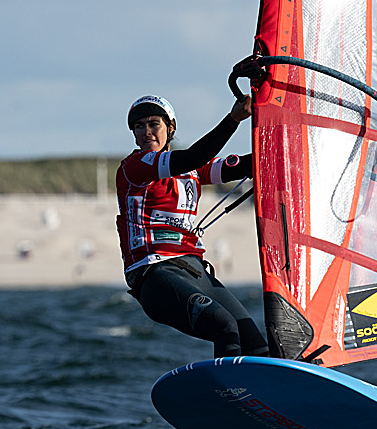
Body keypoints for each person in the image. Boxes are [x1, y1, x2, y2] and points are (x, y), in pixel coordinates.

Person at [116, 93, 274, 359]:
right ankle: (227, 395)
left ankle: (273, 393)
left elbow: (244, 165)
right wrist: (234, 119)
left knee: (257, 343)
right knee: (224, 326)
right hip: (154, 275)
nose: (146, 132)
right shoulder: (135, 167)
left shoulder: (192, 172)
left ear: (170, 128)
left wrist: (283, 133)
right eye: (139, 126)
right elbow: (194, 156)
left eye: (154, 124)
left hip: (196, 272)